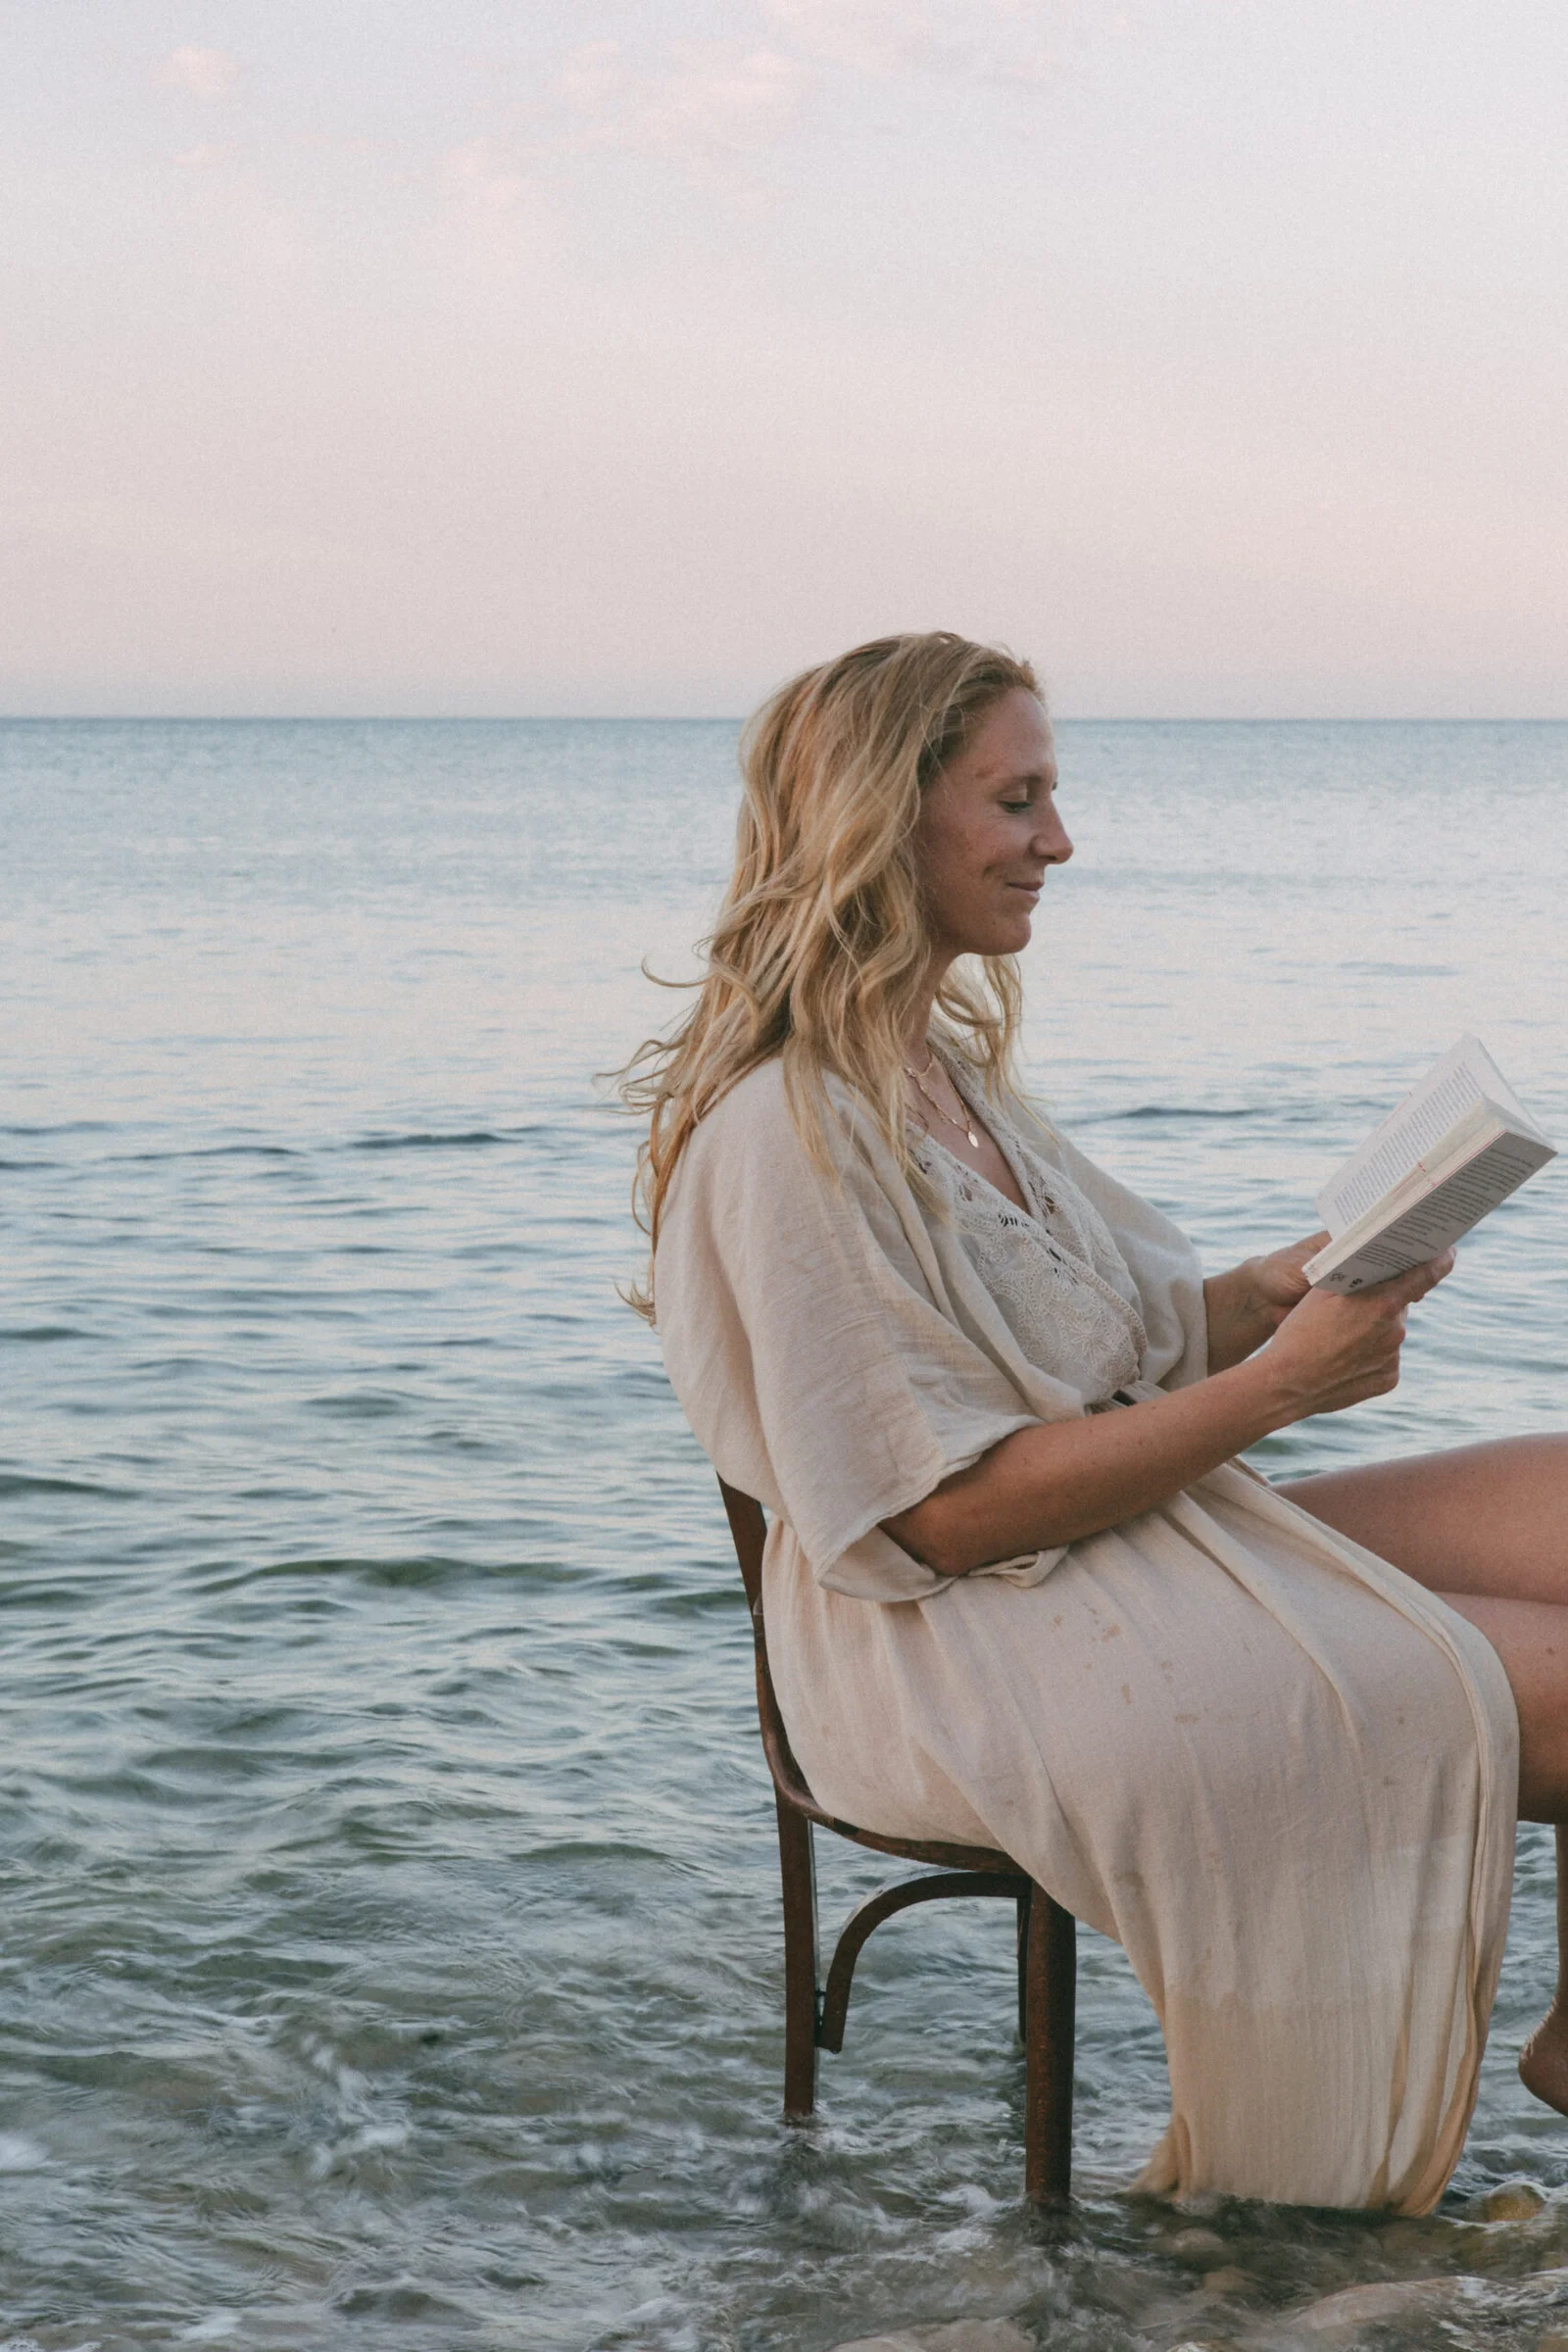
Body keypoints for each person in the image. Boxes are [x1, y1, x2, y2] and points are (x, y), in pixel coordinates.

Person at [623, 630, 1568, 2212]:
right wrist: (1277, 1394)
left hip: (1113, 1547)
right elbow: (938, 1513)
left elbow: (1086, 1355)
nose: (1059, 842)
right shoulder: (783, 1133)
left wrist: (1274, 1294)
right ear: (882, 817)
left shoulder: (941, 1072)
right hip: (954, 1640)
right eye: (1019, 800)